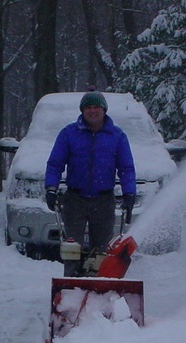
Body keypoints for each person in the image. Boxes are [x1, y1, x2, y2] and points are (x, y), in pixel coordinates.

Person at [44, 90, 136, 276]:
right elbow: (55, 164)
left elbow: (126, 168)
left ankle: (98, 285)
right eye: (88, 107)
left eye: (96, 107)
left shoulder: (116, 136)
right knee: (72, 248)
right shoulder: (69, 134)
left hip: (103, 200)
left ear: (104, 110)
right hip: (74, 199)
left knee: (102, 250)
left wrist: (129, 194)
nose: (92, 111)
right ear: (82, 111)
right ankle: (70, 285)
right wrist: (51, 188)